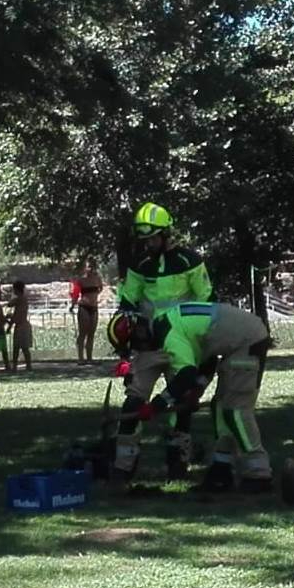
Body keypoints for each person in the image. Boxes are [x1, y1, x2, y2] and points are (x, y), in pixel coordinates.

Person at [107, 302, 272, 492]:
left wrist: (156, 405)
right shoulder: (172, 324)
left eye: (136, 344)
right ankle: (221, 468)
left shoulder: (170, 335)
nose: (140, 349)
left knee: (235, 410)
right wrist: (198, 389)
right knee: (219, 408)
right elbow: (207, 354)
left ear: (141, 332)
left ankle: (258, 473)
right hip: (239, 339)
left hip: (247, 340)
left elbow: (186, 374)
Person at [114, 202, 214, 482]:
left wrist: (203, 345)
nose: (148, 244)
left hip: (182, 343)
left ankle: (177, 463)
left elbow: (206, 302)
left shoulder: (190, 261)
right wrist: (124, 341)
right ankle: (123, 465)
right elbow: (129, 302)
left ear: (166, 234)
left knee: (181, 404)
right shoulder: (140, 264)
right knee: (133, 401)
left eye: (153, 238)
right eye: (144, 239)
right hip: (149, 346)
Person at [71, 259, 103, 364]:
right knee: (83, 333)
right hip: (84, 307)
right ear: (84, 268)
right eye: (88, 267)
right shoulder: (80, 280)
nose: (90, 269)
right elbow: (75, 293)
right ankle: (81, 358)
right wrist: (72, 305)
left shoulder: (98, 278)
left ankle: (89, 358)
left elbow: (100, 288)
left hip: (94, 307)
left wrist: (94, 297)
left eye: (92, 267)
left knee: (91, 333)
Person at [10, 280, 33, 371]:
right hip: (22, 325)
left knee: (21, 348)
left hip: (21, 326)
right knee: (22, 348)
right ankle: (27, 365)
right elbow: (16, 313)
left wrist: (13, 295)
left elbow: (9, 304)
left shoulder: (20, 299)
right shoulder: (23, 299)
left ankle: (19, 366)